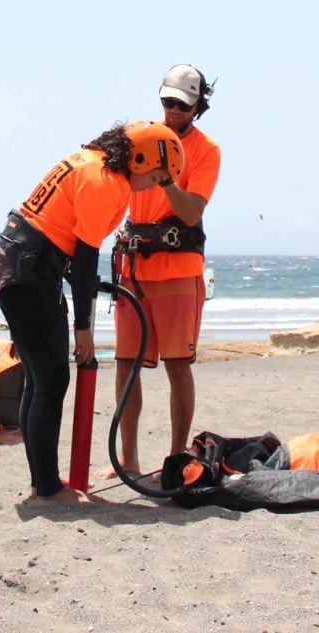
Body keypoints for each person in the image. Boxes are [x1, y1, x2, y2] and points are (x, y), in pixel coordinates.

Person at [0, 120, 181, 500]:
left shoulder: (90, 161)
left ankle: (42, 481)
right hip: (30, 274)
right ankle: (47, 487)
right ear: (140, 159)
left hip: (16, 266)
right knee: (52, 381)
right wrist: (84, 328)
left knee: (39, 380)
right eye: (157, 177)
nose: (153, 186)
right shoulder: (105, 182)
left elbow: (75, 255)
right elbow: (85, 260)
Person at [109, 64, 222, 478]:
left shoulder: (207, 150)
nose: (172, 110)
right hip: (134, 267)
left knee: (178, 365)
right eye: (167, 102)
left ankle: (176, 459)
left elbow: (191, 214)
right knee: (125, 364)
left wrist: (166, 179)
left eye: (182, 105)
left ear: (197, 106)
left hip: (177, 268)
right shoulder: (143, 136)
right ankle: (130, 460)